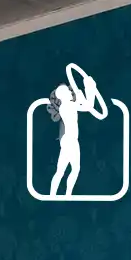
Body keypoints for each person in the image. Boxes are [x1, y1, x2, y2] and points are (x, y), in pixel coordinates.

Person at [45, 62, 109, 197]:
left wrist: (89, 88)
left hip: (71, 140)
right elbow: (88, 106)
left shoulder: (70, 104)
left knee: (67, 170)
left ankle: (63, 194)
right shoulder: (67, 106)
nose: (70, 92)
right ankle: (57, 195)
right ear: (62, 95)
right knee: (69, 169)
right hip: (69, 140)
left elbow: (88, 105)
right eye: (68, 91)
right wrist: (88, 89)